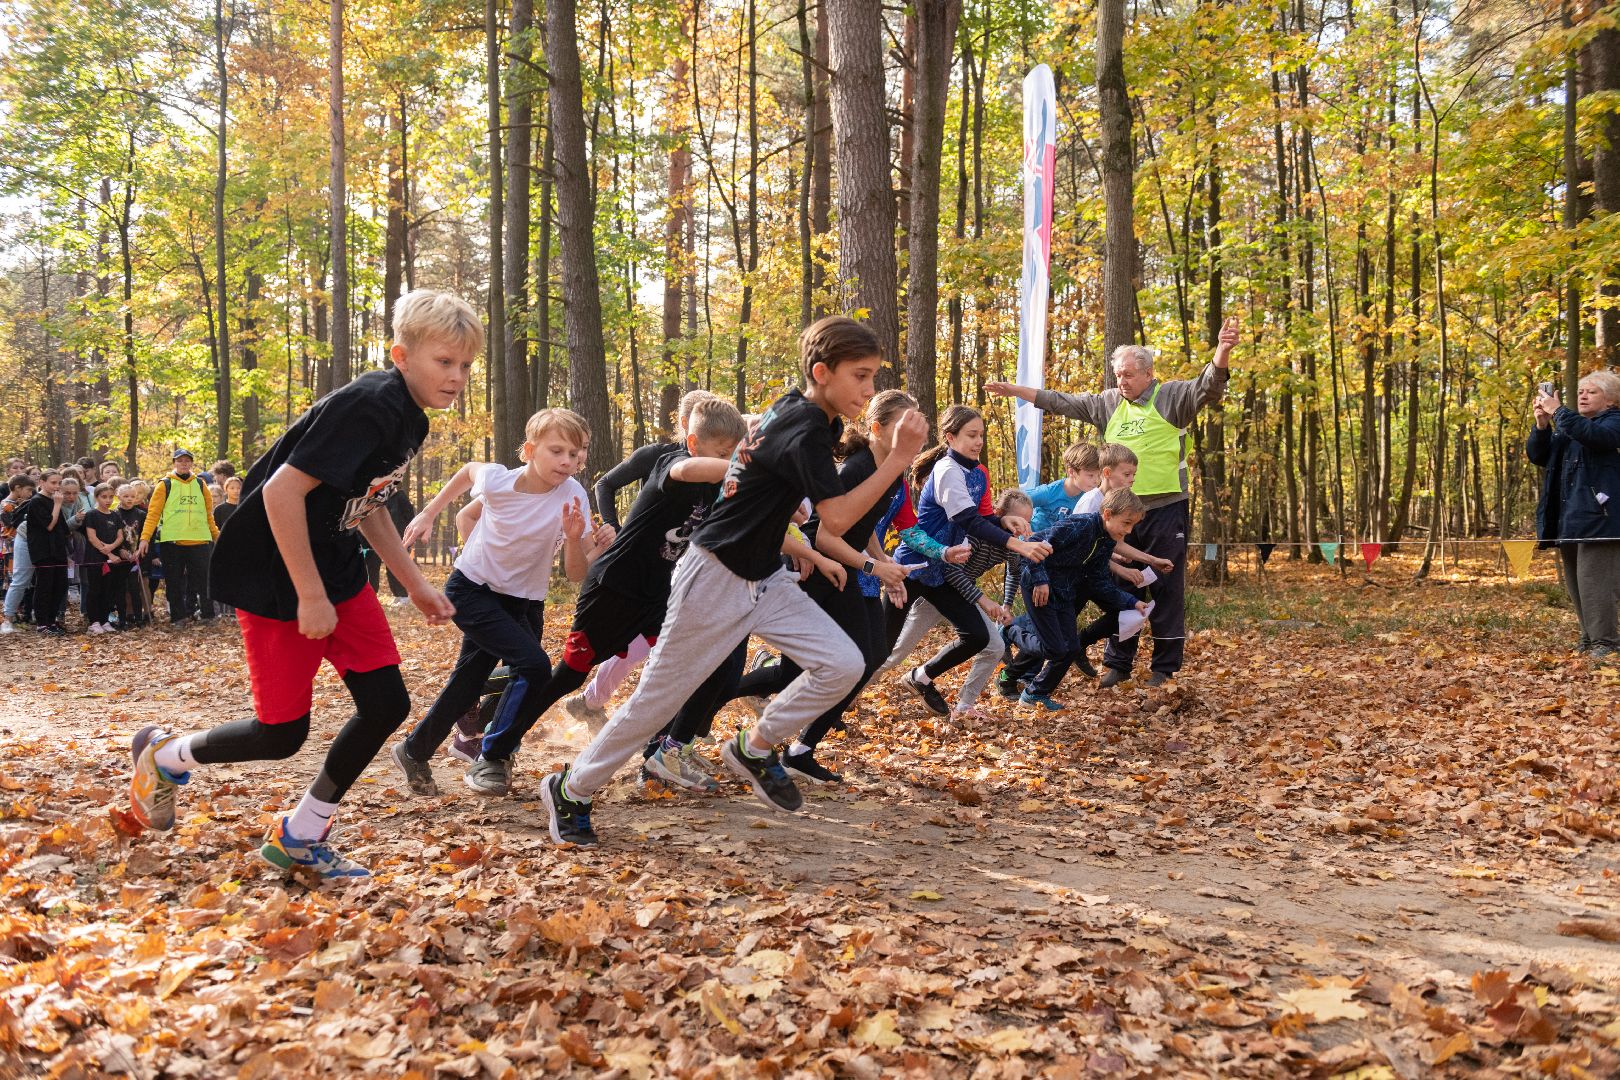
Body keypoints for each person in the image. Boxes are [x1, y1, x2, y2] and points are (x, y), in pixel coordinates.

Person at [125, 287, 479, 879]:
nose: (457, 377)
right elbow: (281, 492)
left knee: (387, 703)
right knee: (281, 734)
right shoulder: (368, 405)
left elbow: (367, 504)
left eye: (466, 365)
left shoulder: (410, 418)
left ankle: (301, 836)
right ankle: (165, 755)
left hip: (336, 569)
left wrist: (414, 583)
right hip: (275, 574)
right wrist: (310, 595)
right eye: (445, 361)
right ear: (401, 356)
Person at [538, 316, 930, 847]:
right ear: (822, 372)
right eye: (860, 376)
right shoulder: (803, 426)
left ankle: (755, 747)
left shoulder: (804, 416)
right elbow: (836, 519)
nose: (869, 388)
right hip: (714, 574)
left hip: (764, 576)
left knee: (843, 662)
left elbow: (767, 491)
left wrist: (797, 535)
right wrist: (900, 458)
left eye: (873, 376)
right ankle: (570, 789)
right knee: (656, 701)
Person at [419, 397, 751, 798]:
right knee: (564, 676)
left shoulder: (721, 483)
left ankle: (663, 753)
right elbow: (684, 470)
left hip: (660, 594)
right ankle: (495, 749)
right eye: (722, 453)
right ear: (694, 442)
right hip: (613, 590)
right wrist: (743, 467)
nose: (729, 460)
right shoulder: (671, 461)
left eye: (735, 452)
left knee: (706, 660)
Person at [986, 317, 1240, 687]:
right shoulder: (1108, 403)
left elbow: (1209, 386)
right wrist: (1016, 391)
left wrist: (1223, 349)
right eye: (1118, 375)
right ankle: (1118, 663)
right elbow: (1062, 402)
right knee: (1124, 589)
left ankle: (1164, 667)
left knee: (1165, 586)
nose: (1122, 381)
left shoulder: (1171, 397)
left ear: (1149, 373)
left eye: (1129, 375)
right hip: (1119, 512)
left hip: (1165, 508)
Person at [713, 390, 925, 781]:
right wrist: (875, 568)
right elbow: (826, 537)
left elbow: (864, 524)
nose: (913, 432)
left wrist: (883, 559)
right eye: (903, 424)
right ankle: (704, 707)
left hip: (842, 570)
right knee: (795, 674)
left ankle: (801, 750)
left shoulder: (892, 471)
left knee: (868, 657)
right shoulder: (857, 468)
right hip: (816, 568)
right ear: (877, 428)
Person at [391, 408, 601, 797]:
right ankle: (491, 757)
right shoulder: (500, 480)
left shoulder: (574, 494)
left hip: (525, 603)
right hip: (473, 590)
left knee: (469, 682)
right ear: (530, 450)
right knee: (534, 667)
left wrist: (575, 539)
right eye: (557, 451)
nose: (567, 461)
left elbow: (576, 574)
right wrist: (428, 513)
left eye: (575, 453)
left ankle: (414, 750)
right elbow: (467, 471)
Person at [892, 405, 1051, 716]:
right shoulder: (948, 470)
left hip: (944, 576)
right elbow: (968, 520)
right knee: (891, 650)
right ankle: (838, 696)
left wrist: (1003, 523)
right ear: (950, 437)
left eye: (981, 435)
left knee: (985, 640)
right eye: (971, 435)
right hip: (918, 568)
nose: (979, 442)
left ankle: (948, 696)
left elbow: (984, 517)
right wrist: (1015, 543)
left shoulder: (979, 473)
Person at [878, 488, 1032, 722]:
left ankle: (964, 706)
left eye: (1027, 522)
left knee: (994, 646)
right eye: (1018, 520)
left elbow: (1014, 570)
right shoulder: (978, 536)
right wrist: (984, 599)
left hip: (964, 596)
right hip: (939, 590)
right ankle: (847, 693)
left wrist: (1007, 603)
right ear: (1000, 513)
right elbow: (951, 572)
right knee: (895, 653)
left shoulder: (1011, 544)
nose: (1021, 528)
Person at [1000, 489, 1153, 710]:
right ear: (1108, 514)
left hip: (1065, 591)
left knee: (1071, 648)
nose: (1128, 531)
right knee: (1054, 649)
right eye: (1126, 523)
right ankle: (1010, 631)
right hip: (1037, 586)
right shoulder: (1079, 525)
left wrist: (1132, 602)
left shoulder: (1106, 540)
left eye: (1133, 526)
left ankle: (1035, 694)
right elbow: (1033, 543)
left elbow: (1099, 580)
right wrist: (1040, 580)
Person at [1529, 370, 1620, 659]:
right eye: (1580, 391)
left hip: (1601, 518)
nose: (1583, 396)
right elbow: (1539, 456)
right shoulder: (1570, 426)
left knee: (1595, 583)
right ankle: (1589, 637)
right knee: (1577, 583)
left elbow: (1597, 437)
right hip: (1569, 517)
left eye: (1592, 392)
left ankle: (1606, 642)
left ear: (1610, 400)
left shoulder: (1614, 422)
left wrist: (1559, 412)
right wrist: (1542, 426)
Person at [137, 450, 219, 626]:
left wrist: (216, 535)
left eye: (187, 461)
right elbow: (153, 515)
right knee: (174, 582)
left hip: (200, 540)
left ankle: (208, 615)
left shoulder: (201, 484)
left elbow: (208, 514)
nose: (184, 464)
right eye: (180, 461)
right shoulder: (164, 485)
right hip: (172, 542)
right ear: (174, 463)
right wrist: (145, 538)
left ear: (191, 463)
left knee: (203, 581)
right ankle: (178, 617)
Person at [81, 483, 131, 635]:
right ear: (96, 497)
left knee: (108, 590)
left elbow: (120, 536)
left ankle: (104, 620)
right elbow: (92, 537)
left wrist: (112, 547)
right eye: (104, 497)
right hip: (96, 558)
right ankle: (94, 621)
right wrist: (108, 553)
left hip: (113, 558)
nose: (108, 500)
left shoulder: (115, 515)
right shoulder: (92, 515)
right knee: (95, 589)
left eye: (110, 497)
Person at [25, 470, 69, 635]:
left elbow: (63, 528)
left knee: (60, 585)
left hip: (58, 549)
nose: (57, 486)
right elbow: (49, 525)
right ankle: (42, 623)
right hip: (43, 550)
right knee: (45, 585)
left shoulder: (54, 500)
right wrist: (57, 505)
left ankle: (51, 620)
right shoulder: (36, 501)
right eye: (53, 483)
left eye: (59, 483)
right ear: (42, 482)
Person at [1025, 443, 1100, 532]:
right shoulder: (1050, 492)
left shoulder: (1090, 498)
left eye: (1099, 475)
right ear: (1071, 472)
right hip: (1033, 539)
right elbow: (1016, 500)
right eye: (1090, 475)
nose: (1096, 481)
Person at [1, 474, 37, 634]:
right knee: (14, 581)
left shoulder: (19, 503)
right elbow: (10, 524)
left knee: (25, 583)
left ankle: (20, 616)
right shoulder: (7, 505)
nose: (30, 494)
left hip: (21, 545)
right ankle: (9, 617)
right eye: (28, 490)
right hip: (11, 548)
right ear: (17, 488)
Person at [116, 484, 150, 627]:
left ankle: (140, 617)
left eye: (132, 496)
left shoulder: (141, 514)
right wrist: (119, 550)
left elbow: (146, 535)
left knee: (136, 588)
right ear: (118, 496)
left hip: (137, 557)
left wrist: (139, 551)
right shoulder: (114, 514)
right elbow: (111, 534)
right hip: (120, 557)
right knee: (122, 589)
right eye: (126, 496)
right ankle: (123, 618)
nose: (129, 499)